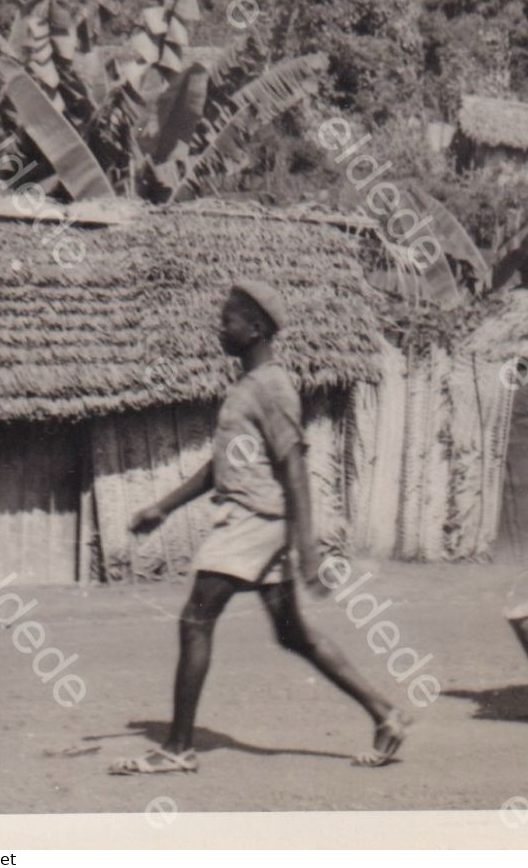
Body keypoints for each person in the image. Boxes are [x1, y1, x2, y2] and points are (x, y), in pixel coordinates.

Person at [109, 279, 409, 775]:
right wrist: (164, 506)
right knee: (294, 635)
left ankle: (178, 748)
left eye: (227, 319)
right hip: (256, 520)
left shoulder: (272, 387)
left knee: (195, 619)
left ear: (254, 328)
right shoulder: (246, 389)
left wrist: (308, 549)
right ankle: (386, 713)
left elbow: (293, 465)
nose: (218, 326)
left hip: (255, 521)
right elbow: (220, 466)